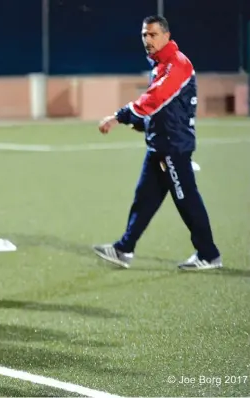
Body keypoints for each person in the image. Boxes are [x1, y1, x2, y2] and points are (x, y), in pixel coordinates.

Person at [94, 15, 222, 271]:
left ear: (166, 35)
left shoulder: (178, 64)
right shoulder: (160, 65)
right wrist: (143, 124)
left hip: (174, 147)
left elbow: (157, 98)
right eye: (144, 35)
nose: (147, 40)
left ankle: (208, 254)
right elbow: (163, 109)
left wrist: (119, 117)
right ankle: (124, 249)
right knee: (144, 200)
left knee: (187, 200)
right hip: (160, 145)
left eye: (152, 35)